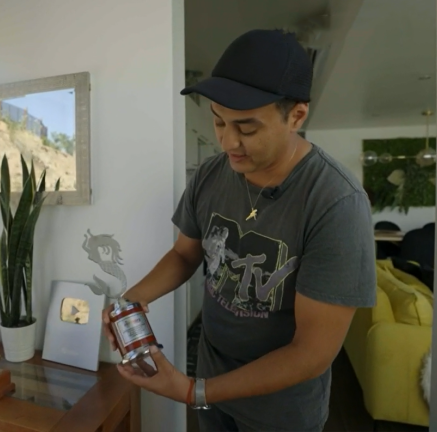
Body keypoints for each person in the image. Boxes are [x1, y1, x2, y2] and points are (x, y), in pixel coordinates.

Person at [103, 29, 377, 431]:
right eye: (218, 121)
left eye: (247, 129)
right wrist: (131, 301)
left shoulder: (336, 203)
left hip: (281, 411)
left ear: (296, 116)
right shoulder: (212, 175)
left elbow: (312, 352)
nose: (228, 141)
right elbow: (184, 254)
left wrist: (193, 391)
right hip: (212, 378)